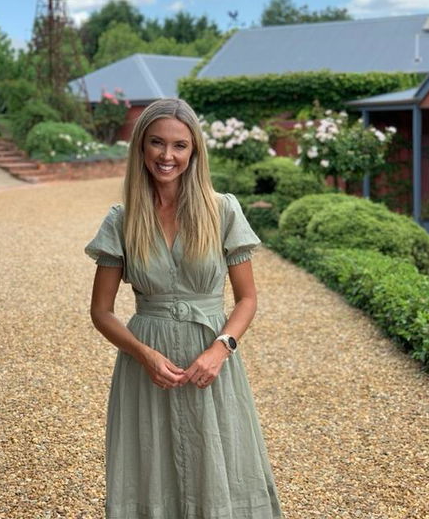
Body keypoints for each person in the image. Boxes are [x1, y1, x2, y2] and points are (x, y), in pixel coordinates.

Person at [85, 98, 285, 518]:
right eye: (157, 142)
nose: (167, 155)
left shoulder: (222, 210)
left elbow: (247, 298)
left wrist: (221, 349)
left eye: (180, 145)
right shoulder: (122, 219)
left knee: (220, 460)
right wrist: (144, 354)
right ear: (141, 147)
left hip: (209, 357)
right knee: (150, 464)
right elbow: (101, 311)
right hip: (147, 362)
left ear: (194, 151)